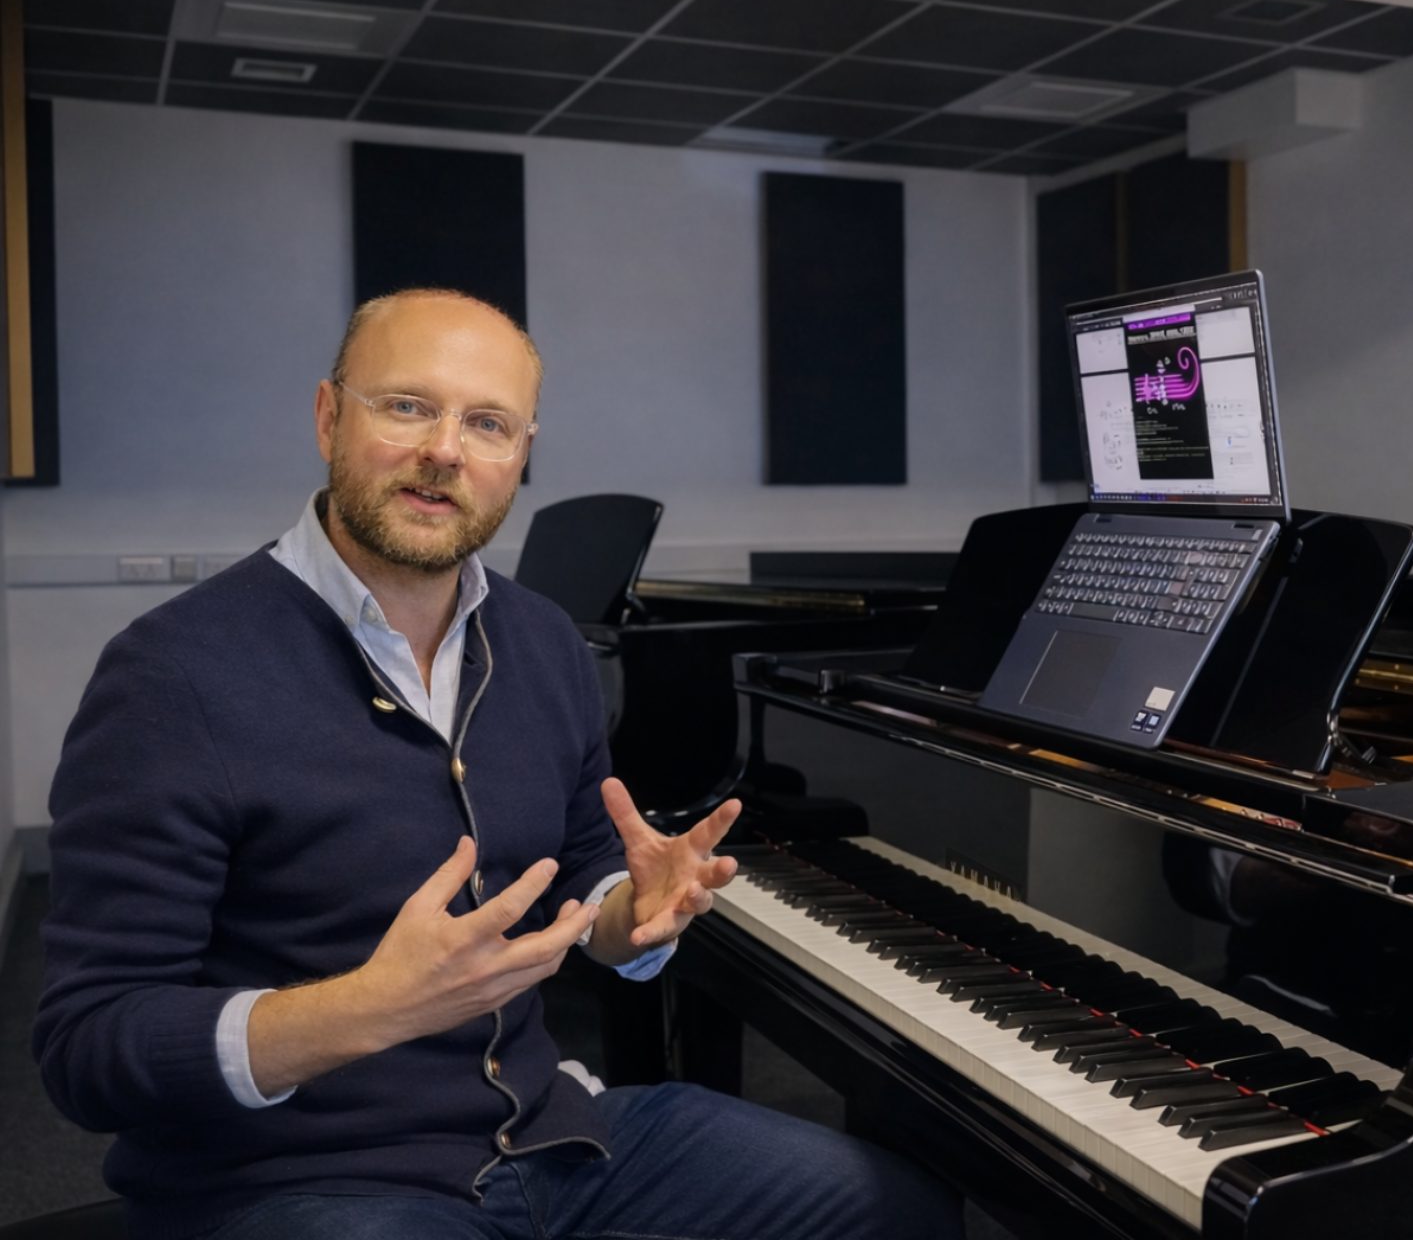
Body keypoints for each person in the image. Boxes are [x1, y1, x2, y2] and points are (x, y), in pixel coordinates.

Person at [33, 289, 962, 1240]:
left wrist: (628, 918)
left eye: (487, 423)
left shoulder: (543, 640)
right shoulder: (173, 673)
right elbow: (89, 1047)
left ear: (519, 456)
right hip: (299, 1181)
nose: (446, 450)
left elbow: (590, 867)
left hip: (553, 1136)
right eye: (407, 406)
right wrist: (367, 1009)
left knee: (896, 1211)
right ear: (327, 417)